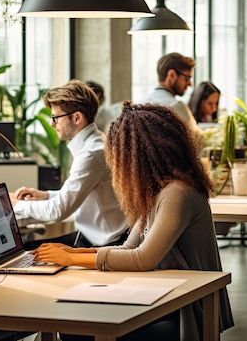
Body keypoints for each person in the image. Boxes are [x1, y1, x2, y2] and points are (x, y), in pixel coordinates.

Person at [32, 102, 234, 341]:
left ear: (136, 155)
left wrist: (71, 258)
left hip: (184, 310)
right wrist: (74, 252)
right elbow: (128, 248)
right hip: (165, 296)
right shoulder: (157, 191)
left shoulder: (177, 194)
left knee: (76, 329)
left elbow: (143, 258)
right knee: (72, 319)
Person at [13, 80, 128, 248]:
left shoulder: (90, 154)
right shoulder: (97, 142)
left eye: (55, 118)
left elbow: (58, 210)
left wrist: (18, 205)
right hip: (101, 237)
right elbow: (82, 192)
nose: (52, 124)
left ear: (76, 118)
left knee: (27, 249)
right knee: (31, 247)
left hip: (105, 245)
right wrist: (45, 195)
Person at [136, 52, 203, 142]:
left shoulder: (138, 103)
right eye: (186, 79)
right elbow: (195, 140)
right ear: (172, 75)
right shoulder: (176, 106)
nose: (190, 84)